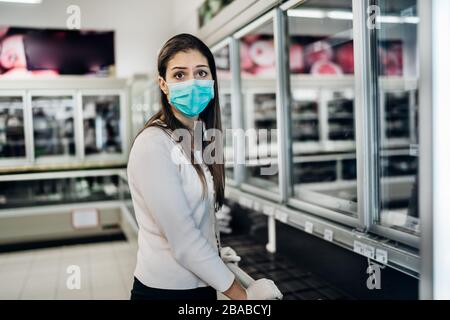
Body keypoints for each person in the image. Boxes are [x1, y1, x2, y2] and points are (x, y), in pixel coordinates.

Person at [127, 33, 283, 300]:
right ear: (163, 85)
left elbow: (194, 219)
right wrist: (245, 297)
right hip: (167, 293)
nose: (192, 82)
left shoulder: (196, 140)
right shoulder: (153, 145)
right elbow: (184, 241)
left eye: (201, 73)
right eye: (179, 75)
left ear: (212, 81)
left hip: (199, 286)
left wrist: (214, 252)